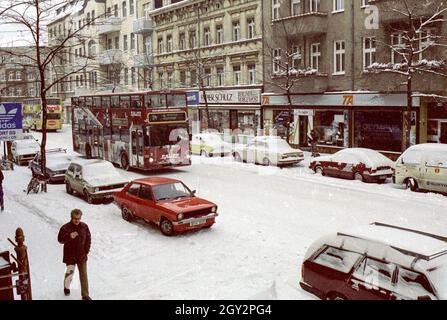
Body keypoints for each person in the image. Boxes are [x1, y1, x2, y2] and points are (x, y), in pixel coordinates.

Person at [57, 209, 92, 300]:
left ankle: (85, 295)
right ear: (71, 218)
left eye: (78, 218)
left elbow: (88, 239)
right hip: (70, 255)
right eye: (75, 218)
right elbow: (60, 240)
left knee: (83, 274)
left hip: (81, 255)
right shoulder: (65, 228)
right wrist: (69, 236)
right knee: (70, 273)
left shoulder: (84, 227)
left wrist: (86, 251)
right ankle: (66, 287)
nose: (77, 220)